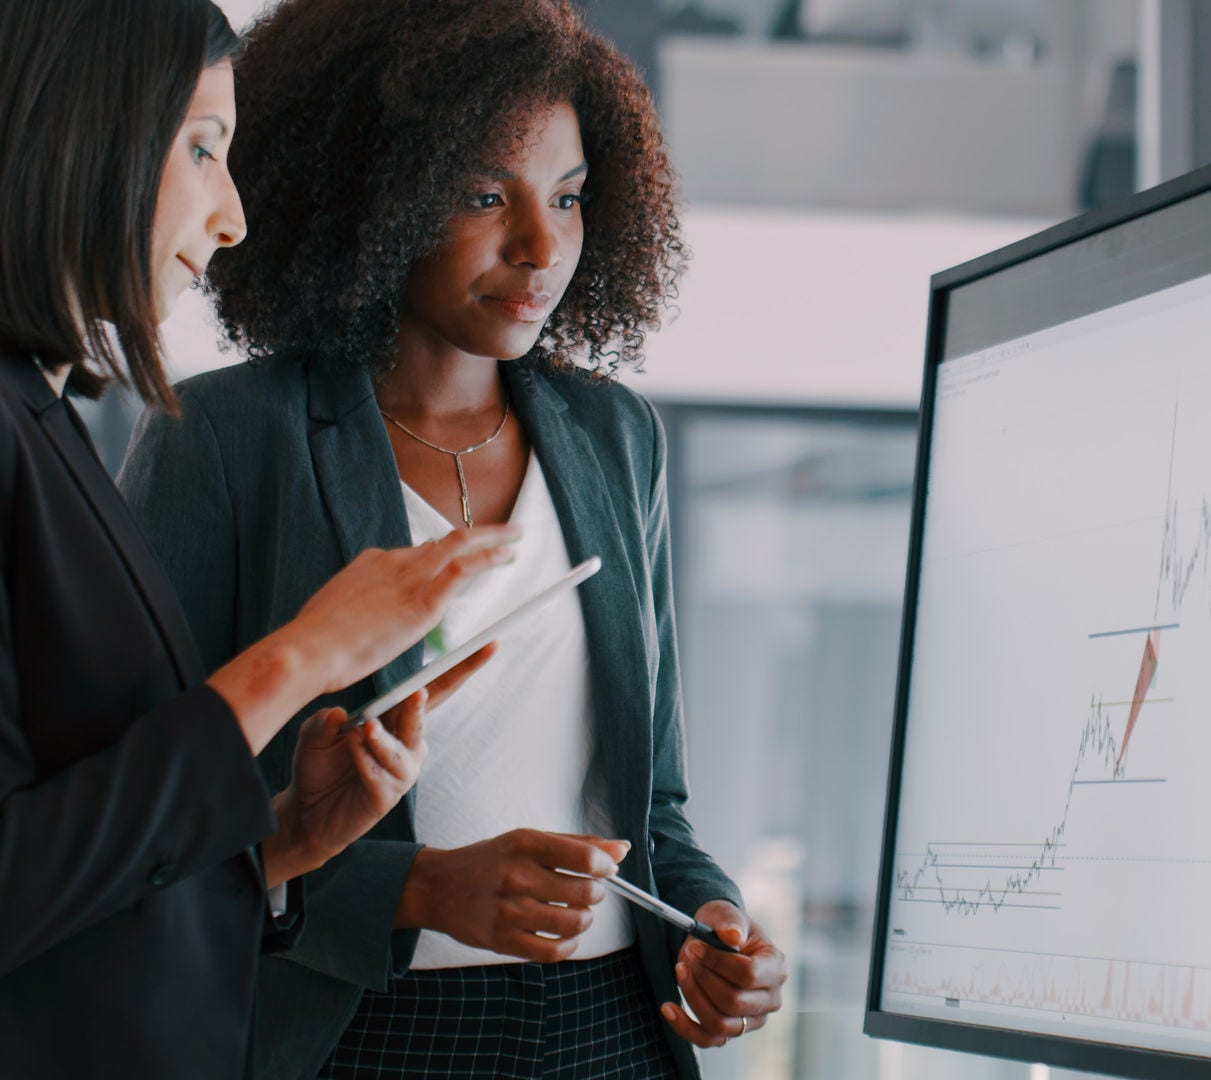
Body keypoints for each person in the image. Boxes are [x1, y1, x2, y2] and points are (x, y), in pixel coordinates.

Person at [119, 0, 790, 1076]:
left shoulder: (614, 436)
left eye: (567, 197)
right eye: (485, 195)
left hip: (612, 1033)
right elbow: (143, 814)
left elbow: (653, 804)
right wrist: (416, 888)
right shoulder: (225, 437)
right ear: (371, 194)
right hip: (358, 1033)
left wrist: (712, 922)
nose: (541, 246)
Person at [0, 1, 527, 1075]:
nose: (233, 217)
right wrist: (299, 660)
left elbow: (81, 868)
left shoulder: (46, 421)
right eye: (203, 149)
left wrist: (284, 838)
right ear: (79, 135)